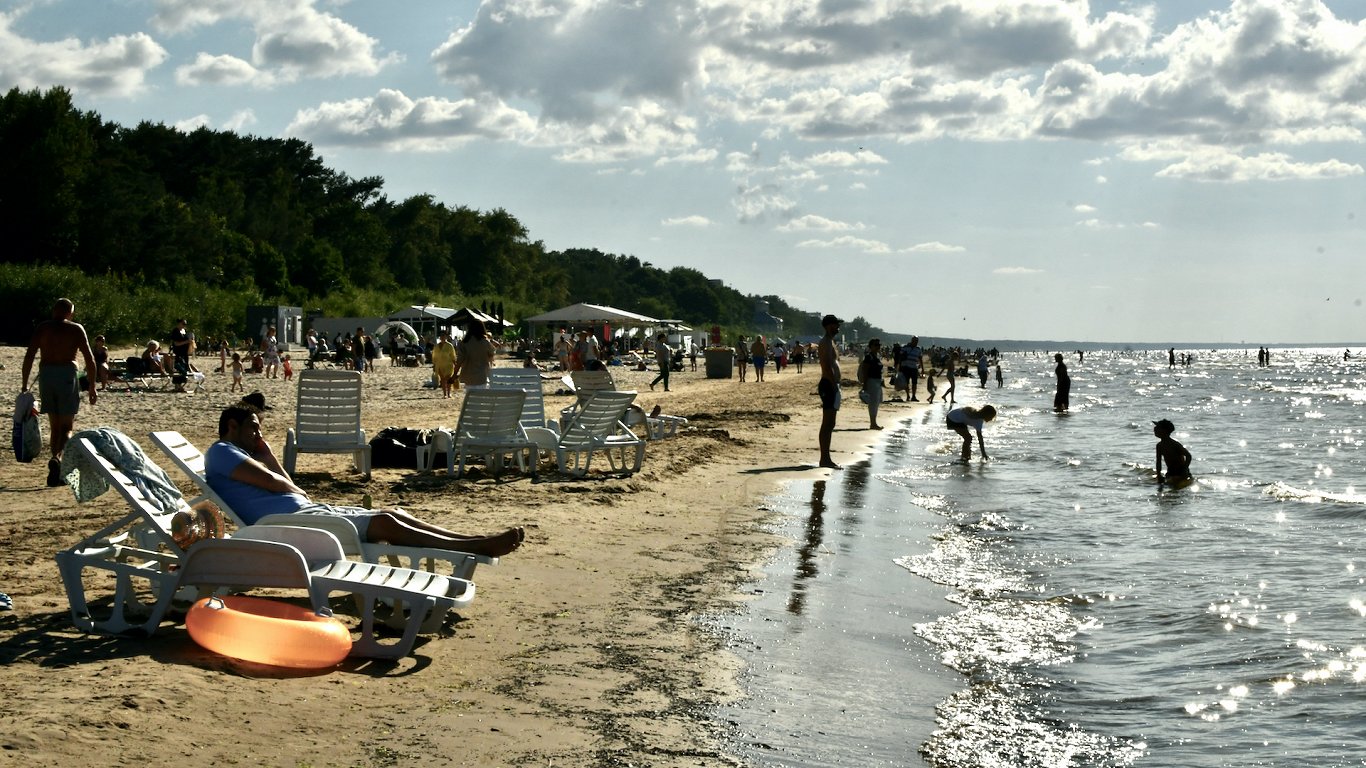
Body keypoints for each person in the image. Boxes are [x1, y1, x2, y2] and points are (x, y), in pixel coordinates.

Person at [205, 405, 523, 557]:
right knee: (384, 522)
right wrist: (277, 472)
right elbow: (277, 485)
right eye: (254, 429)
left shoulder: (235, 453)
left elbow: (284, 483)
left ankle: (469, 540)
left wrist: (271, 457)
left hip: (302, 513)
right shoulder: (221, 452)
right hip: (288, 523)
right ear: (232, 426)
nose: (259, 435)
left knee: (395, 514)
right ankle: (472, 548)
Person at [20, 298, 98, 486]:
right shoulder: (75, 329)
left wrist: (24, 385)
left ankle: (55, 474)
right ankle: (58, 458)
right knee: (67, 427)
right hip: (66, 375)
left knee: (55, 426)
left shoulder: (43, 328)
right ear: (70, 313)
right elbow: (89, 358)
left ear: (54, 310)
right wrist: (93, 386)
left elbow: (29, 356)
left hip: (46, 375)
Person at [817, 315, 842, 469]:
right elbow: (826, 366)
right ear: (828, 326)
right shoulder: (825, 342)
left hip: (832, 384)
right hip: (828, 384)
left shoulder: (830, 341)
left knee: (831, 423)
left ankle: (826, 458)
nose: (838, 327)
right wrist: (834, 385)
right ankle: (824, 459)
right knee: (827, 423)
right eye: (835, 324)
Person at [457, 319, 496, 387]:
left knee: (470, 394)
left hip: (468, 376)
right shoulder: (485, 342)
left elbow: (459, 361)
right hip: (482, 376)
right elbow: (491, 355)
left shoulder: (464, 343)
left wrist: (454, 375)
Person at [1153, 418, 1192, 485]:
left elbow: (1188, 456)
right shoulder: (1159, 445)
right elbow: (1158, 462)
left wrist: (1184, 470)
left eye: (1157, 428)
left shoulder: (1174, 444)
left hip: (1181, 471)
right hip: (1170, 472)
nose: (1154, 429)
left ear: (1165, 431)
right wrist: (1159, 475)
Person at [858, 338, 884, 430]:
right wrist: (865, 384)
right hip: (871, 381)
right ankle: (873, 423)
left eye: (879, 345)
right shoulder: (869, 357)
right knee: (873, 403)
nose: (878, 346)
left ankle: (873, 422)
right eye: (876, 345)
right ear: (871, 347)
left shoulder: (877, 356)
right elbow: (865, 371)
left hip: (877, 381)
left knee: (877, 402)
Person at [431, 330, 457, 398]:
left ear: (446, 337)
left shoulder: (449, 346)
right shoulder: (436, 346)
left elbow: (453, 355)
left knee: (448, 379)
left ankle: (449, 393)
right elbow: (434, 356)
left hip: (448, 365)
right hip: (439, 365)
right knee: (442, 379)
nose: (442, 337)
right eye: (441, 336)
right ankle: (444, 394)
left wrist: (455, 364)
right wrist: (434, 365)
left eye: (444, 336)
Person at [170, 318, 193, 392]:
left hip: (184, 353)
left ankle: (181, 385)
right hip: (178, 353)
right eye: (183, 324)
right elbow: (176, 343)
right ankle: (177, 385)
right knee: (179, 368)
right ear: (179, 323)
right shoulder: (175, 331)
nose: (184, 325)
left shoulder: (184, 331)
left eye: (185, 324)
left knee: (184, 367)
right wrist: (186, 342)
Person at [903, 336, 923, 402]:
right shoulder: (905, 347)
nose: (916, 342)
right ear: (912, 340)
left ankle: (913, 396)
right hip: (906, 367)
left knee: (914, 383)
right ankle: (908, 395)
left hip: (914, 367)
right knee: (906, 383)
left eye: (917, 341)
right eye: (914, 340)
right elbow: (900, 357)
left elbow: (920, 359)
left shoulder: (918, 349)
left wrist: (922, 369)